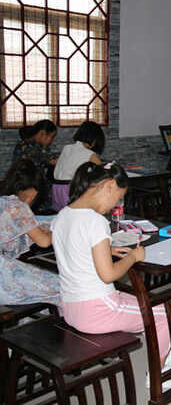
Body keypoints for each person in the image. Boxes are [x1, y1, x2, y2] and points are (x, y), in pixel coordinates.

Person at [51, 162, 171, 367]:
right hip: (98, 310)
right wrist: (133, 257)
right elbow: (108, 275)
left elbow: (75, 249)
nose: (115, 205)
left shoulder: (63, 215)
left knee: (143, 301)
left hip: (71, 308)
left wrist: (106, 250)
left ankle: (161, 356)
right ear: (109, 186)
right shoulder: (95, 221)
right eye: (118, 198)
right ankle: (160, 375)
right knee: (165, 312)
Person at [0, 159, 60, 305]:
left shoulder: (4, 201)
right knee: (62, 286)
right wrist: (59, 230)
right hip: (3, 278)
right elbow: (44, 242)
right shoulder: (19, 207)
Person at [52, 120, 104, 211]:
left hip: (56, 189)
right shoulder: (89, 154)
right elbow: (104, 170)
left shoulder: (66, 148)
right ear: (94, 140)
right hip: (70, 190)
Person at [12, 120, 58, 211]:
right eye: (51, 137)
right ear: (42, 133)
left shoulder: (24, 144)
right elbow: (52, 161)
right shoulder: (30, 147)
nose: (51, 141)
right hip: (28, 187)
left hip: (25, 186)